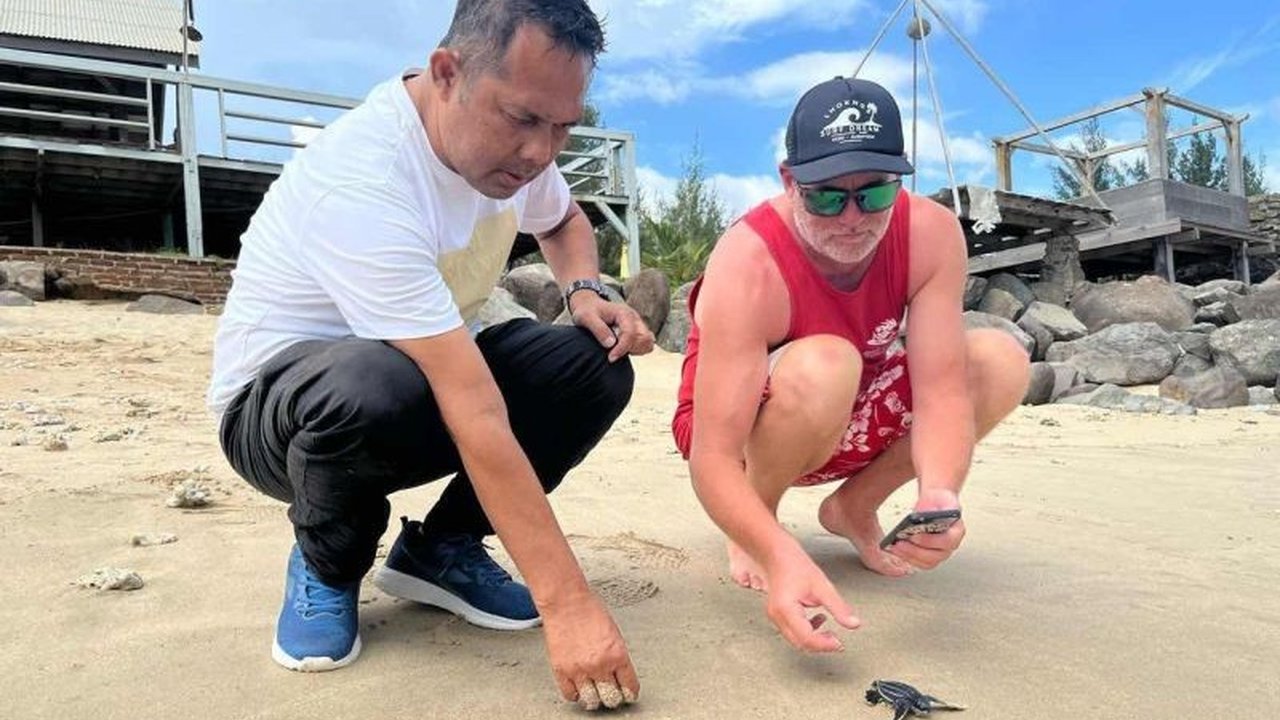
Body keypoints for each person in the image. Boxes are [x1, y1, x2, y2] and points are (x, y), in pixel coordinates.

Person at [207, 0, 651, 710]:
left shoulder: (519, 155)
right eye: (525, 119)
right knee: (373, 381)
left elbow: (564, 219)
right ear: (447, 73)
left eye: (564, 126)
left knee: (591, 364)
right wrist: (567, 604)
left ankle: (440, 551)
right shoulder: (365, 176)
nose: (542, 153)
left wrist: (585, 291)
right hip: (281, 415)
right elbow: (472, 405)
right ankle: (328, 563)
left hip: (423, 377)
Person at [671, 77, 1030, 653]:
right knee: (827, 360)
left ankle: (853, 506)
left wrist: (941, 495)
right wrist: (780, 555)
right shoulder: (747, 260)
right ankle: (758, 521)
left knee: (998, 359)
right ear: (790, 183)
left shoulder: (931, 234)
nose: (853, 218)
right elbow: (712, 455)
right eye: (828, 197)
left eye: (876, 194)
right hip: (744, 432)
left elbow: (941, 391)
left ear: (899, 181)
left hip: (845, 407)